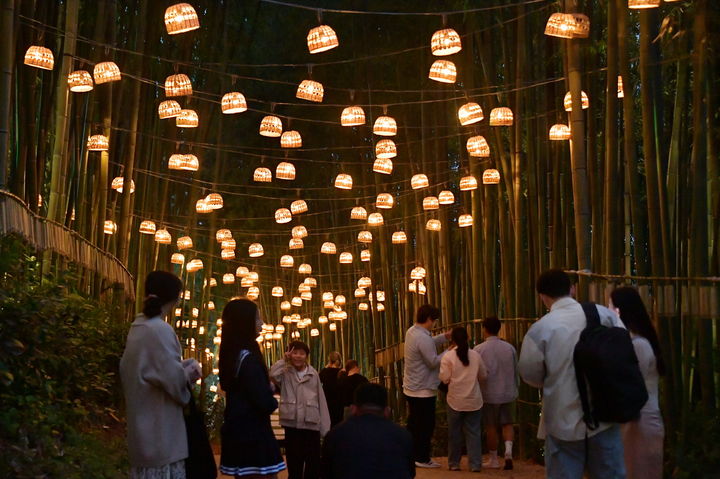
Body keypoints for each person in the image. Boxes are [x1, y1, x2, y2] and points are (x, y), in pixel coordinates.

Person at [518, 269, 627, 479]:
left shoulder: (540, 329)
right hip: (605, 413)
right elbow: (625, 354)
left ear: (542, 296)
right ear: (573, 289)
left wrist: (555, 379)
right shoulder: (603, 314)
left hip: (562, 418)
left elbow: (530, 375)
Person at [120, 271, 202, 479]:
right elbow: (173, 381)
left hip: (141, 424)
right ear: (175, 298)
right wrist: (190, 372)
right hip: (160, 429)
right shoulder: (160, 330)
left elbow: (152, 370)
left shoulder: (137, 328)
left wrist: (180, 366)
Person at [218, 299, 286, 478]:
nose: (262, 323)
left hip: (240, 432)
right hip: (253, 437)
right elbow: (263, 401)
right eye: (257, 319)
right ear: (245, 322)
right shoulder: (248, 359)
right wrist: (270, 394)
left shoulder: (234, 355)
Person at [610, 286, 665, 479]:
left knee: (640, 470)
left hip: (640, 420)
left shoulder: (638, 345)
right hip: (638, 418)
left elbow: (632, 384)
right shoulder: (635, 342)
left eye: (612, 307)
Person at [321, 383, 415, 479]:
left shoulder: (336, 435)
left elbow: (326, 473)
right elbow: (411, 472)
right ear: (387, 411)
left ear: (353, 409)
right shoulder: (403, 436)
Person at [270, 340, 330, 479]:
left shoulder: (313, 374)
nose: (298, 356)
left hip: (311, 425)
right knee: (294, 466)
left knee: (313, 465)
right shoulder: (285, 373)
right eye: (294, 352)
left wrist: (325, 428)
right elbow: (272, 374)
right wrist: (284, 360)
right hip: (292, 426)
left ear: (306, 356)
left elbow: (321, 400)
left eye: (301, 353)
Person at [402, 304, 451, 469]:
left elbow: (428, 343)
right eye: (435, 321)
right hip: (422, 389)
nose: (435, 324)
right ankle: (422, 457)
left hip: (411, 386)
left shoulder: (412, 331)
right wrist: (449, 351)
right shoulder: (422, 337)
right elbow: (433, 362)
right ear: (429, 319)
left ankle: (410, 455)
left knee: (414, 425)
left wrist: (444, 337)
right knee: (425, 425)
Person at [439, 326, 488, 472]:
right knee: (473, 432)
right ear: (468, 338)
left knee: (454, 433)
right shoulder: (475, 355)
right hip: (474, 399)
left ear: (452, 340)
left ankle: (454, 463)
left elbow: (444, 378)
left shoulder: (448, 357)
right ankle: (475, 464)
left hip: (455, 400)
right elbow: (484, 375)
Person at [473, 316, 518, 470]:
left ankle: (494, 459)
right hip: (508, 391)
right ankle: (508, 452)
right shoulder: (509, 348)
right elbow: (515, 369)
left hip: (488, 394)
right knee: (507, 423)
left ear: (484, 329)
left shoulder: (478, 349)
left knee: (490, 426)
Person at [319, 351, 344, 428]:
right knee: (338, 423)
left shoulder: (324, 372)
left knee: (328, 422)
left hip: (326, 400)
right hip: (339, 400)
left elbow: (318, 383)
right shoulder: (341, 372)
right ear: (339, 361)